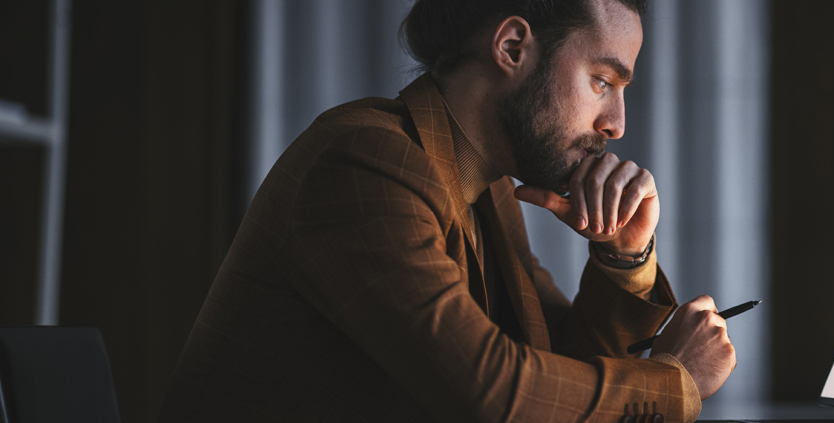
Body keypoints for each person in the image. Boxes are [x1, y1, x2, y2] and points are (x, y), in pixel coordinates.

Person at [159, 0, 735, 421]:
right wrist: (675, 382)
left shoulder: (484, 193)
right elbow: (491, 393)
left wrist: (622, 255)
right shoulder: (362, 159)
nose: (617, 124)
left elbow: (557, 367)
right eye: (603, 80)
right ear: (511, 47)